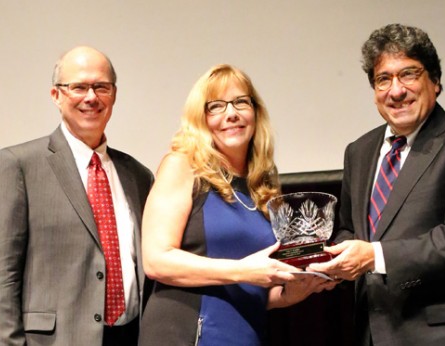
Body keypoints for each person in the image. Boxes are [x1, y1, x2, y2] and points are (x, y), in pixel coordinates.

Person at [309, 24, 445, 345]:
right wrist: (324, 260)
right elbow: (351, 230)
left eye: (408, 74)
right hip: (376, 333)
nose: (396, 90)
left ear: (435, 82)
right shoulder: (359, 151)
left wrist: (373, 256)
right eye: (383, 79)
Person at [138, 64, 331, 345]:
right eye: (216, 106)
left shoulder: (261, 188)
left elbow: (249, 287)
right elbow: (157, 261)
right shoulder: (182, 166)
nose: (232, 114)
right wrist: (244, 270)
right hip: (185, 333)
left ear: (255, 112)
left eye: (241, 102)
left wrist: (288, 294)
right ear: (200, 119)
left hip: (242, 334)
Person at [0, 46, 154, 345]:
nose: (91, 97)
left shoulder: (138, 175)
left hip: (129, 335)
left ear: (114, 94)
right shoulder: (18, 165)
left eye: (101, 87)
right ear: (56, 96)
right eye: (78, 87)